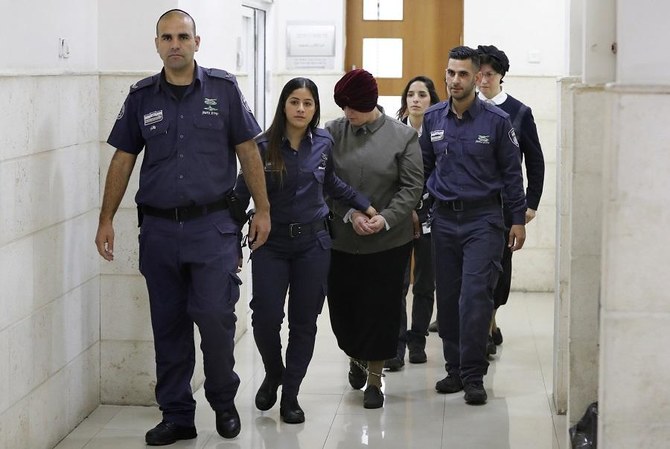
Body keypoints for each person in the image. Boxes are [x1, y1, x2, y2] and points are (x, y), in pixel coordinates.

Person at [94, 9, 270, 445]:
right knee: (168, 325)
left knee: (215, 317)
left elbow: (249, 151)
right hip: (159, 231)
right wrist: (106, 218)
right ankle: (177, 415)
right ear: (157, 44)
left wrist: (263, 210)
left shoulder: (223, 90)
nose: (175, 44)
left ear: (196, 42)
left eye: (183, 36)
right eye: (167, 37)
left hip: (212, 227)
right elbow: (123, 158)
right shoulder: (141, 97)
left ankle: (223, 402)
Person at [234, 77, 375, 424]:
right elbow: (240, 194)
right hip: (270, 244)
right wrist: (230, 243)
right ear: (284, 105)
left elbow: (332, 183)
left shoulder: (323, 142)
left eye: (308, 103)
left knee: (304, 322)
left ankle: (291, 395)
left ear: (315, 109)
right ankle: (274, 373)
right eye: (294, 102)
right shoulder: (261, 145)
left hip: (313, 244)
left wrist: (364, 205)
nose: (300, 109)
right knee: (265, 318)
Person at [419, 46, 526, 405]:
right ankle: (454, 369)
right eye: (450, 72)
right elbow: (423, 169)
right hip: (444, 219)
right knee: (448, 298)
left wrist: (517, 219)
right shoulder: (433, 119)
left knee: (475, 297)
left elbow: (512, 175)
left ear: (477, 77)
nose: (455, 80)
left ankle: (473, 374)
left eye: (463, 74)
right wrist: (419, 211)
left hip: (484, 220)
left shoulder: (497, 121)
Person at [325, 69, 423, 409]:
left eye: (354, 107)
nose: (348, 113)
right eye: (343, 107)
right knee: (343, 310)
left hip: (388, 242)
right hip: (341, 240)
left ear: (371, 103)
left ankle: (375, 379)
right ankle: (355, 355)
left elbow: (412, 187)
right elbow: (323, 181)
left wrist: (385, 219)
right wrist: (350, 214)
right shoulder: (332, 133)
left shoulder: (402, 137)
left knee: (381, 311)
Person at [476, 45, 545, 353]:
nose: (483, 81)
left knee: (499, 267)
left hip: (505, 205)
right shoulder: (465, 108)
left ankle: (489, 322)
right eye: (479, 74)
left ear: (501, 76)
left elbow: (535, 160)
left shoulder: (519, 112)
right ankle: (482, 328)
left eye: (489, 75)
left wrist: (531, 203)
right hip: (470, 201)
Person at [385, 76, 440, 371]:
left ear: (432, 100)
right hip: (400, 217)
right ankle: (396, 346)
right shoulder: (395, 134)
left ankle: (417, 341)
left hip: (431, 217)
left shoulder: (440, 133)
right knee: (397, 283)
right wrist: (406, 210)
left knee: (425, 283)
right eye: (410, 95)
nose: (416, 99)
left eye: (422, 94)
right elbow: (389, 178)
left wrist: (423, 209)